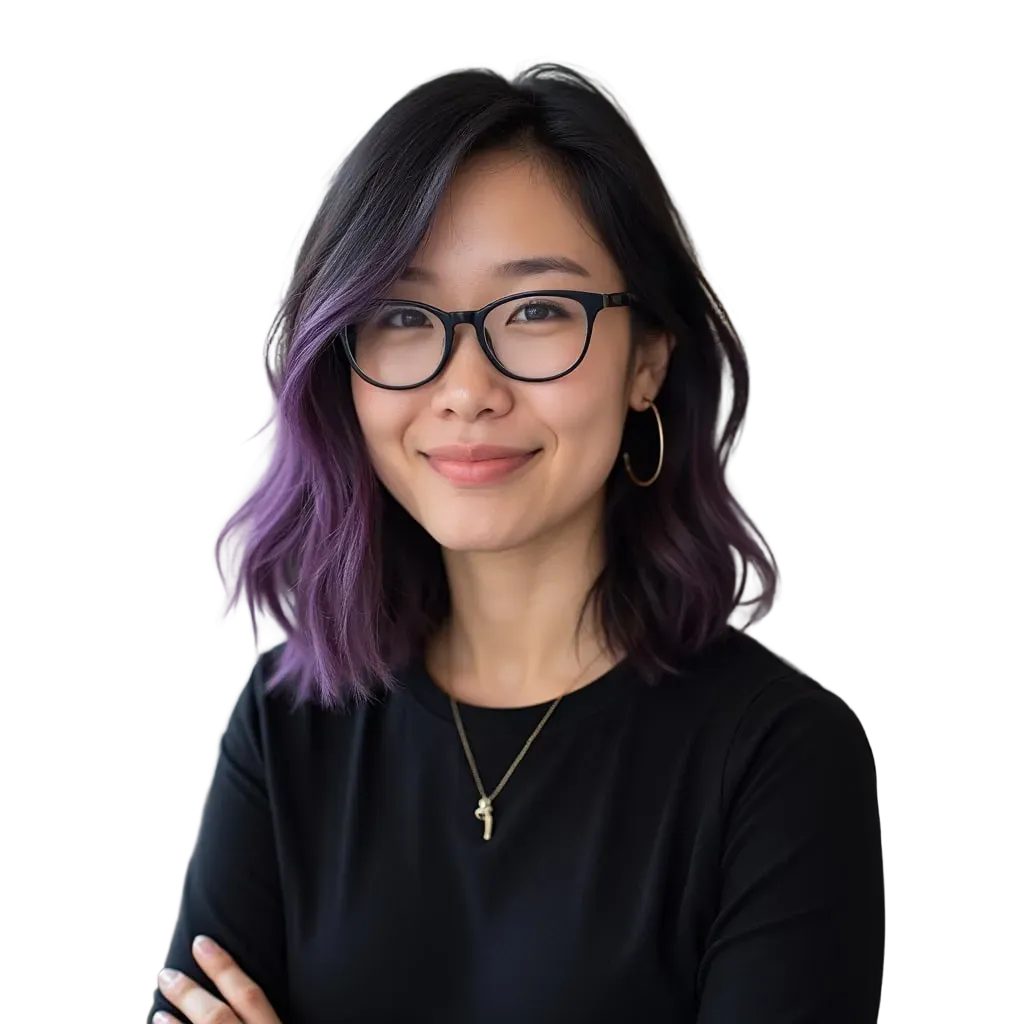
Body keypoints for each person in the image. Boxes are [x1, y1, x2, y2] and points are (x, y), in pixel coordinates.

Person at [153, 62, 885, 1023]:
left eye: (538, 311)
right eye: (404, 317)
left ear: (649, 360)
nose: (466, 388)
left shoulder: (779, 762)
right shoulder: (292, 716)